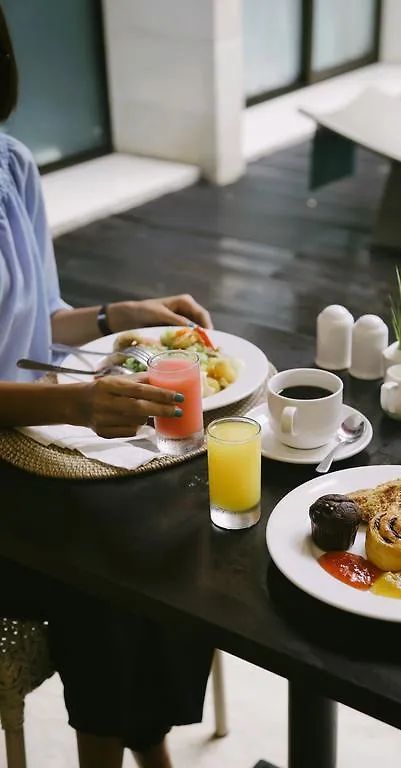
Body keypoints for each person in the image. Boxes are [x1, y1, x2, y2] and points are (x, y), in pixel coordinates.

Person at [0, 6, 213, 767]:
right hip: (14, 461)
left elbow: (41, 317)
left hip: (41, 440)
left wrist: (120, 317)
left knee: (177, 521)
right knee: (105, 568)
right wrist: (76, 402)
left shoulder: (11, 165)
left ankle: (144, 743)